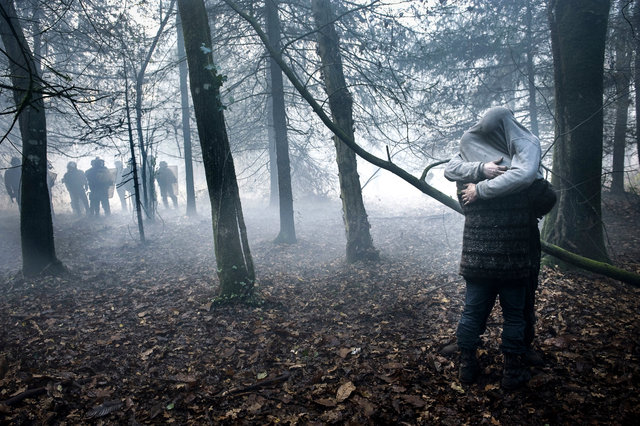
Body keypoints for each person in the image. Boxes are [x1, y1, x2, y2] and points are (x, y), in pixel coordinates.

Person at [444, 106, 553, 390]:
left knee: (471, 313)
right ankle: (512, 371)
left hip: (477, 260)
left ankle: (468, 366)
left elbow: (463, 205)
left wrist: (479, 183)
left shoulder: (465, 181)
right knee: (515, 315)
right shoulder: (525, 181)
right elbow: (548, 198)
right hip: (514, 260)